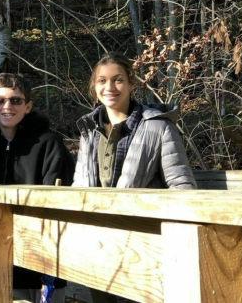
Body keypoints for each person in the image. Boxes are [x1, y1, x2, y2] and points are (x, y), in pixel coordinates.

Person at [73, 52, 197, 302]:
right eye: (101, 81)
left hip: (144, 248)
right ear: (94, 86)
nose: (109, 87)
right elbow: (79, 187)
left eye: (118, 80)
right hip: (99, 246)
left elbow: (182, 188)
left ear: (132, 84)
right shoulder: (89, 131)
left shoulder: (158, 127)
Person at [0, 73, 75, 303]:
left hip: (42, 264)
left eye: (15, 100)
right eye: (0, 100)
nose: (7, 106)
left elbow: (60, 204)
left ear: (28, 106)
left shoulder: (49, 143)